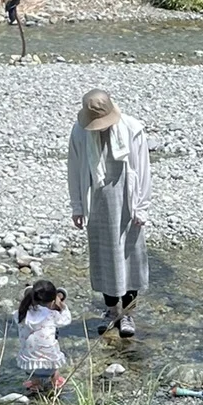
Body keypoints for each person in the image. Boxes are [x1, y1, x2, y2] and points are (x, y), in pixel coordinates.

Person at [68, 87, 150, 338]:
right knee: (105, 259)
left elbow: (143, 168)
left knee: (130, 257)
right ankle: (111, 310)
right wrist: (78, 205)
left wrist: (142, 206)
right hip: (98, 201)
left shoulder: (132, 129)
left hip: (127, 200)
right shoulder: (80, 132)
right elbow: (74, 168)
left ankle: (128, 314)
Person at [15, 275, 71, 395]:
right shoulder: (51, 315)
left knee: (32, 348)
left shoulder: (21, 313)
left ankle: (35, 384)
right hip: (50, 364)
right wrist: (61, 304)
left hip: (29, 363)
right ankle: (55, 381)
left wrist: (28, 295)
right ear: (52, 302)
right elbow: (66, 319)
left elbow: (21, 310)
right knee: (51, 346)